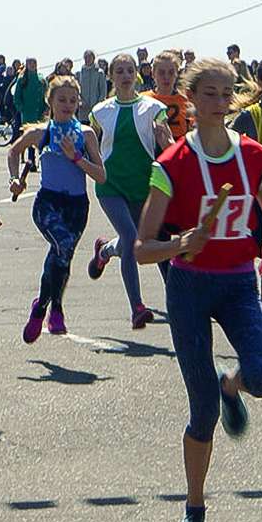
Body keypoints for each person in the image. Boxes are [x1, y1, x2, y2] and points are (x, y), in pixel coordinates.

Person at [134, 58, 262, 522]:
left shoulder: (255, 157)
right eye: (210, 94)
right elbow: (142, 249)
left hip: (241, 282)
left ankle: (233, 385)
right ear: (190, 99)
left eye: (227, 94)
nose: (220, 103)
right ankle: (194, 507)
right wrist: (181, 243)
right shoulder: (171, 165)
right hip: (190, 288)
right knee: (202, 414)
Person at [5, 75, 106, 341]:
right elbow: (13, 152)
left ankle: (44, 308)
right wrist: (14, 179)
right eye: (62, 99)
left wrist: (78, 159)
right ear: (49, 101)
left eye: (73, 100)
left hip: (77, 206)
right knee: (61, 244)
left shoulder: (86, 135)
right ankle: (53, 309)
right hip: (47, 203)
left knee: (62, 256)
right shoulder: (41, 133)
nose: (68, 104)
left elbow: (101, 175)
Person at [87, 53, 174, 328]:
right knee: (131, 235)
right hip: (111, 185)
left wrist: (167, 142)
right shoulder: (100, 112)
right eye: (119, 71)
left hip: (143, 185)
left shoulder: (153, 108)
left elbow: (167, 142)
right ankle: (137, 307)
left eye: (130, 71)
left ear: (136, 75)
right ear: (111, 76)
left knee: (130, 240)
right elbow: (89, 144)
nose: (125, 76)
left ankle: (104, 250)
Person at [146, 51, 190, 141]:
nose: (166, 77)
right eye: (161, 73)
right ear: (153, 74)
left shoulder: (185, 100)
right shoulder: (145, 99)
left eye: (171, 72)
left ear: (176, 74)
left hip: (178, 147)